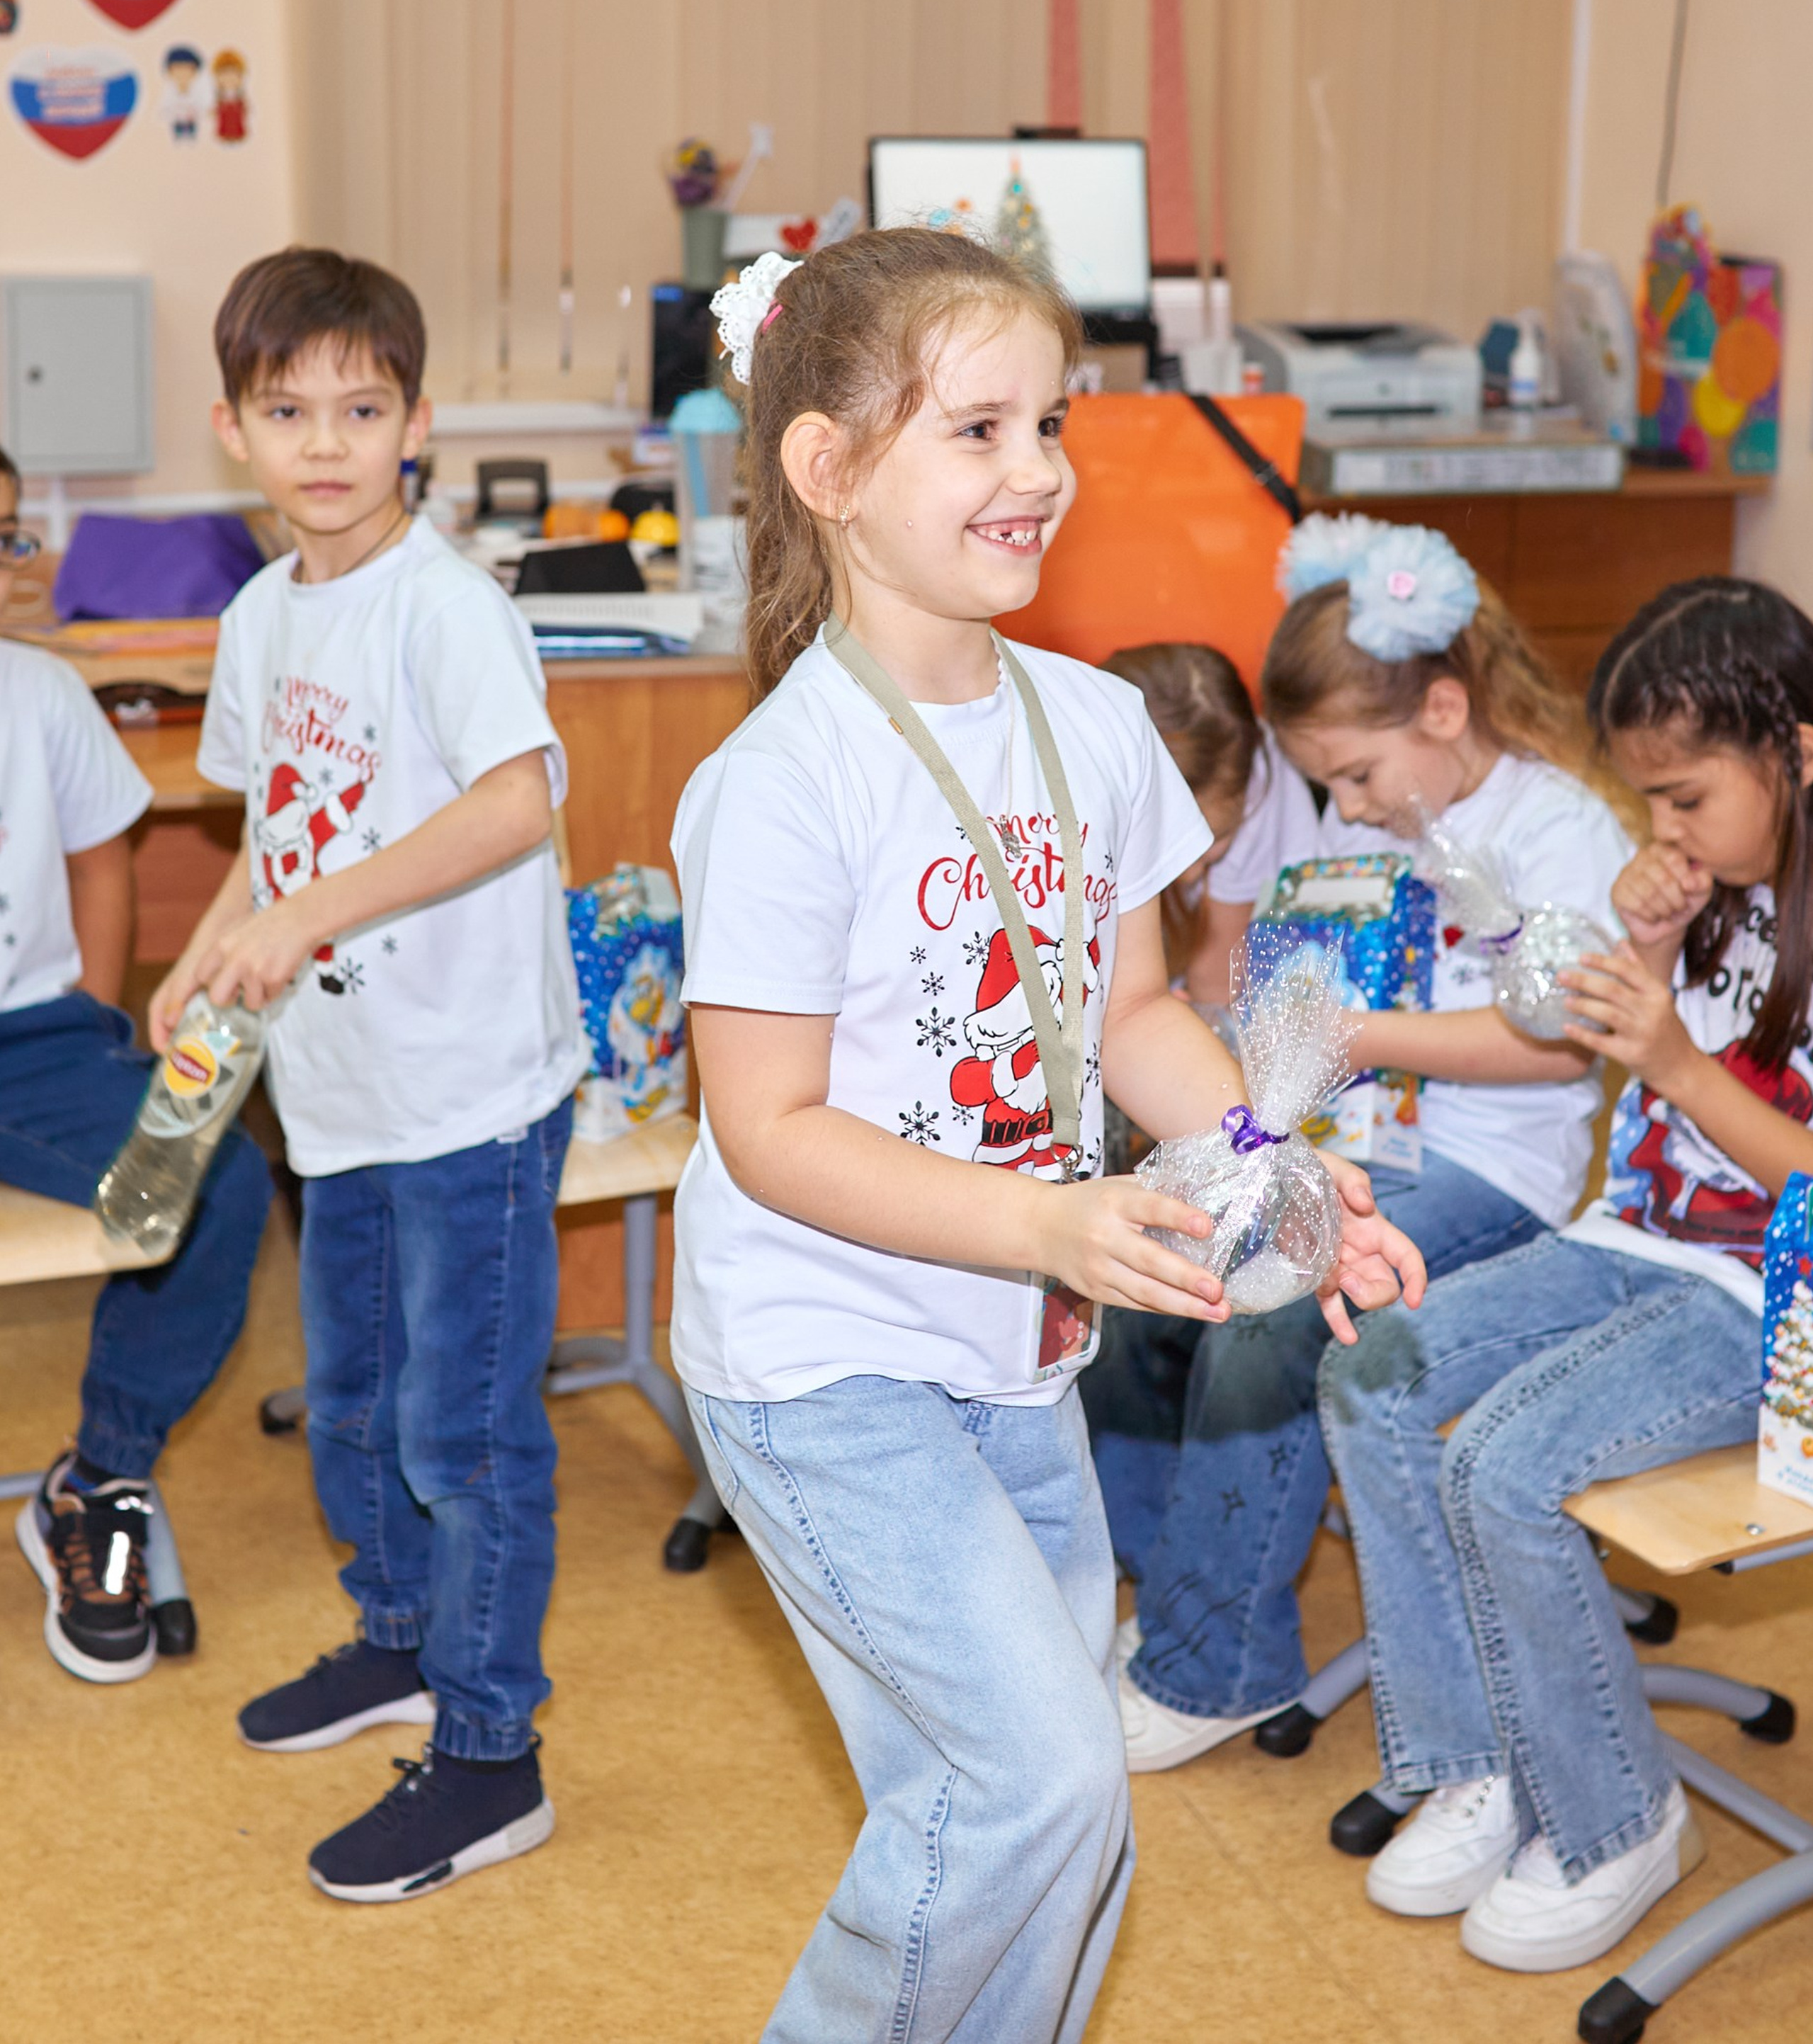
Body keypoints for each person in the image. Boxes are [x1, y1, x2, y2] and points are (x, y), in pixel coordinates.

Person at [669, 229, 1426, 2043]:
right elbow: (765, 1129)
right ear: (828, 472)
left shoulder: (1090, 725)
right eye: (978, 430)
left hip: (1015, 1352)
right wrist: (1049, 1224)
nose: (1035, 474)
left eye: (1051, 423)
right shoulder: (779, 781)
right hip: (821, 1361)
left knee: (1041, 1790)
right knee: (1035, 1789)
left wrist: (1278, 1168)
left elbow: (1138, 1018)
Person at [152, 249, 586, 1904]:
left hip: (469, 1096)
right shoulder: (262, 614)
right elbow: (273, 829)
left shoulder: (444, 603)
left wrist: (308, 909)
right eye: (286, 410)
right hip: (336, 1093)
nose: (324, 441)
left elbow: (512, 803)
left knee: (461, 1434)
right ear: (232, 429)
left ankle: (491, 1753)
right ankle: (399, 1641)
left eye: (359, 407)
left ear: (418, 421)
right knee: (346, 1405)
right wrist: (208, 950)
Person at [1321, 574, 1813, 1974]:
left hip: (1765, 1305)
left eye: (1681, 798)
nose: (1660, 828)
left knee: (1503, 1469)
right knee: (1368, 1367)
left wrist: (1671, 1059)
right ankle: (1479, 1758)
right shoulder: (1705, 887)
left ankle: (1615, 1818)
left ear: (1795, 750)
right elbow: (1562, 1022)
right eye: (1643, 800)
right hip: (1626, 1242)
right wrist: (1643, 932)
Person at [1087, 513, 1632, 1770]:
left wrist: (1365, 1029)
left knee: (1273, 1311)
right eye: (1325, 781)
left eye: (1357, 774)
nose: (1341, 806)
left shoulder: (1558, 832)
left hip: (1493, 1168)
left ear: (1445, 711)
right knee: (1146, 1252)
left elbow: (1562, 1047)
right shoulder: (1367, 825)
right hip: (1356, 1142)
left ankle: (1213, 1662)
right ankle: (1173, 1577)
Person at [0, 448, 272, 1682]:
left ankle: (100, 1478)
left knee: (215, 1175)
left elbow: (104, 860)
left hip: (32, 1046)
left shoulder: (39, 692)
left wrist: (98, 1023)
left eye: (6, 538)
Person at [1100, 640, 1319, 1006]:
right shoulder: (1083, 791)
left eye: (1212, 843)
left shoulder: (1258, 783)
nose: (1190, 874)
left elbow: (1217, 978)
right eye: (1169, 848)